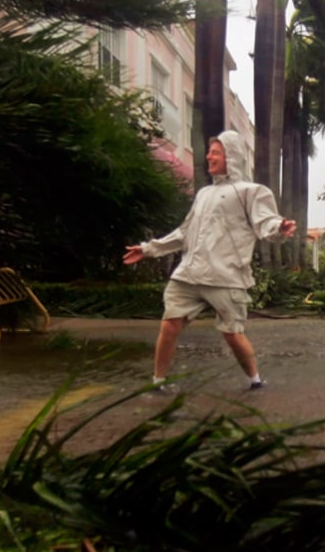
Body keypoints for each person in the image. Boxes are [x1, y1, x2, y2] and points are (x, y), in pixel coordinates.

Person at [123, 131, 296, 391]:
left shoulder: (250, 192)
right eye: (210, 152)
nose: (209, 156)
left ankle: (255, 380)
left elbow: (265, 221)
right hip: (189, 274)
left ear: (232, 156)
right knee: (169, 324)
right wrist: (149, 249)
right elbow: (184, 232)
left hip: (226, 276)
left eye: (216, 152)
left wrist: (279, 227)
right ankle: (157, 382)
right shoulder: (204, 194)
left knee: (232, 334)